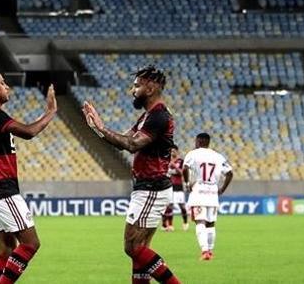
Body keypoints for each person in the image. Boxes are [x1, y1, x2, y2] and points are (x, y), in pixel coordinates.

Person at [82, 65, 181, 284]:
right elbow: (123, 140)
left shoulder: (158, 116)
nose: (132, 90)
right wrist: (98, 128)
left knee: (132, 247)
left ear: (151, 87)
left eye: (136, 85)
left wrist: (101, 128)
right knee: (141, 251)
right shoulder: (147, 116)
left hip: (152, 188)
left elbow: (132, 144)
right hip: (149, 188)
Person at [0, 68, 57, 284]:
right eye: (2, 83)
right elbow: (28, 132)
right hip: (1, 188)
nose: (7, 86)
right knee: (30, 243)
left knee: (6, 248)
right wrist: (50, 112)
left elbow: (23, 128)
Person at [182, 132, 233, 261]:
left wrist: (187, 183)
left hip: (199, 191)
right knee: (211, 223)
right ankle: (210, 250)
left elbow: (184, 168)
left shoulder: (193, 153)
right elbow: (230, 173)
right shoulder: (218, 156)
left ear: (198, 141)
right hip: (212, 193)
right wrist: (222, 189)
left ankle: (204, 251)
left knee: (200, 222)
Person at [160, 148, 187, 232]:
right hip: (169, 186)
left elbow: (182, 172)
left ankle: (185, 222)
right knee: (169, 206)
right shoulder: (166, 160)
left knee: (182, 206)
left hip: (178, 187)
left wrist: (174, 166)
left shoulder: (180, 161)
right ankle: (169, 225)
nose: (172, 152)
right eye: (171, 151)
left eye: (174, 151)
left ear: (177, 151)